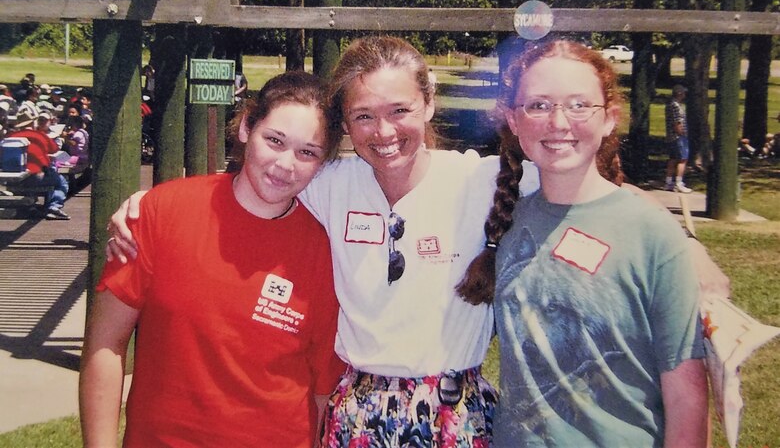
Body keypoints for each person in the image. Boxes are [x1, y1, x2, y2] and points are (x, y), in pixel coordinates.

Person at [105, 36, 727, 446]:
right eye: (363, 117)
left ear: (429, 105)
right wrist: (144, 208)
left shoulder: (486, 179)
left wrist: (684, 255)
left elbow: (594, 186)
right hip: (357, 411)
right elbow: (265, 175)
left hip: (455, 414)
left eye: (400, 110)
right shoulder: (333, 182)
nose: (384, 132)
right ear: (345, 127)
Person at [79, 71, 345, 448]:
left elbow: (323, 391)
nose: (286, 164)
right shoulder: (160, 212)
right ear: (246, 128)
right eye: (274, 140)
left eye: (307, 152)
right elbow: (105, 344)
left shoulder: (326, 251)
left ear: (323, 162)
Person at [462, 40, 707, 446]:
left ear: (609, 118)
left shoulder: (651, 232)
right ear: (513, 119)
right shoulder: (507, 219)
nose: (558, 122)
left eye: (579, 105)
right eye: (538, 105)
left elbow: (687, 395)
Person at [7, 111, 70, 220]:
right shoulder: (39, 135)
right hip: (38, 176)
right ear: (32, 123)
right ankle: (53, 207)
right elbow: (54, 149)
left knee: (33, 177)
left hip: (14, 180)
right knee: (62, 182)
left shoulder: (10, 137)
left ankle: (30, 207)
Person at [664, 84, 692, 193]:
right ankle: (679, 183)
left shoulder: (670, 105)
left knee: (673, 158)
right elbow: (677, 122)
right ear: (679, 93)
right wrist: (682, 133)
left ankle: (668, 182)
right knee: (683, 159)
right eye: (683, 92)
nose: (685, 94)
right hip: (678, 137)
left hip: (671, 137)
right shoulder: (675, 106)